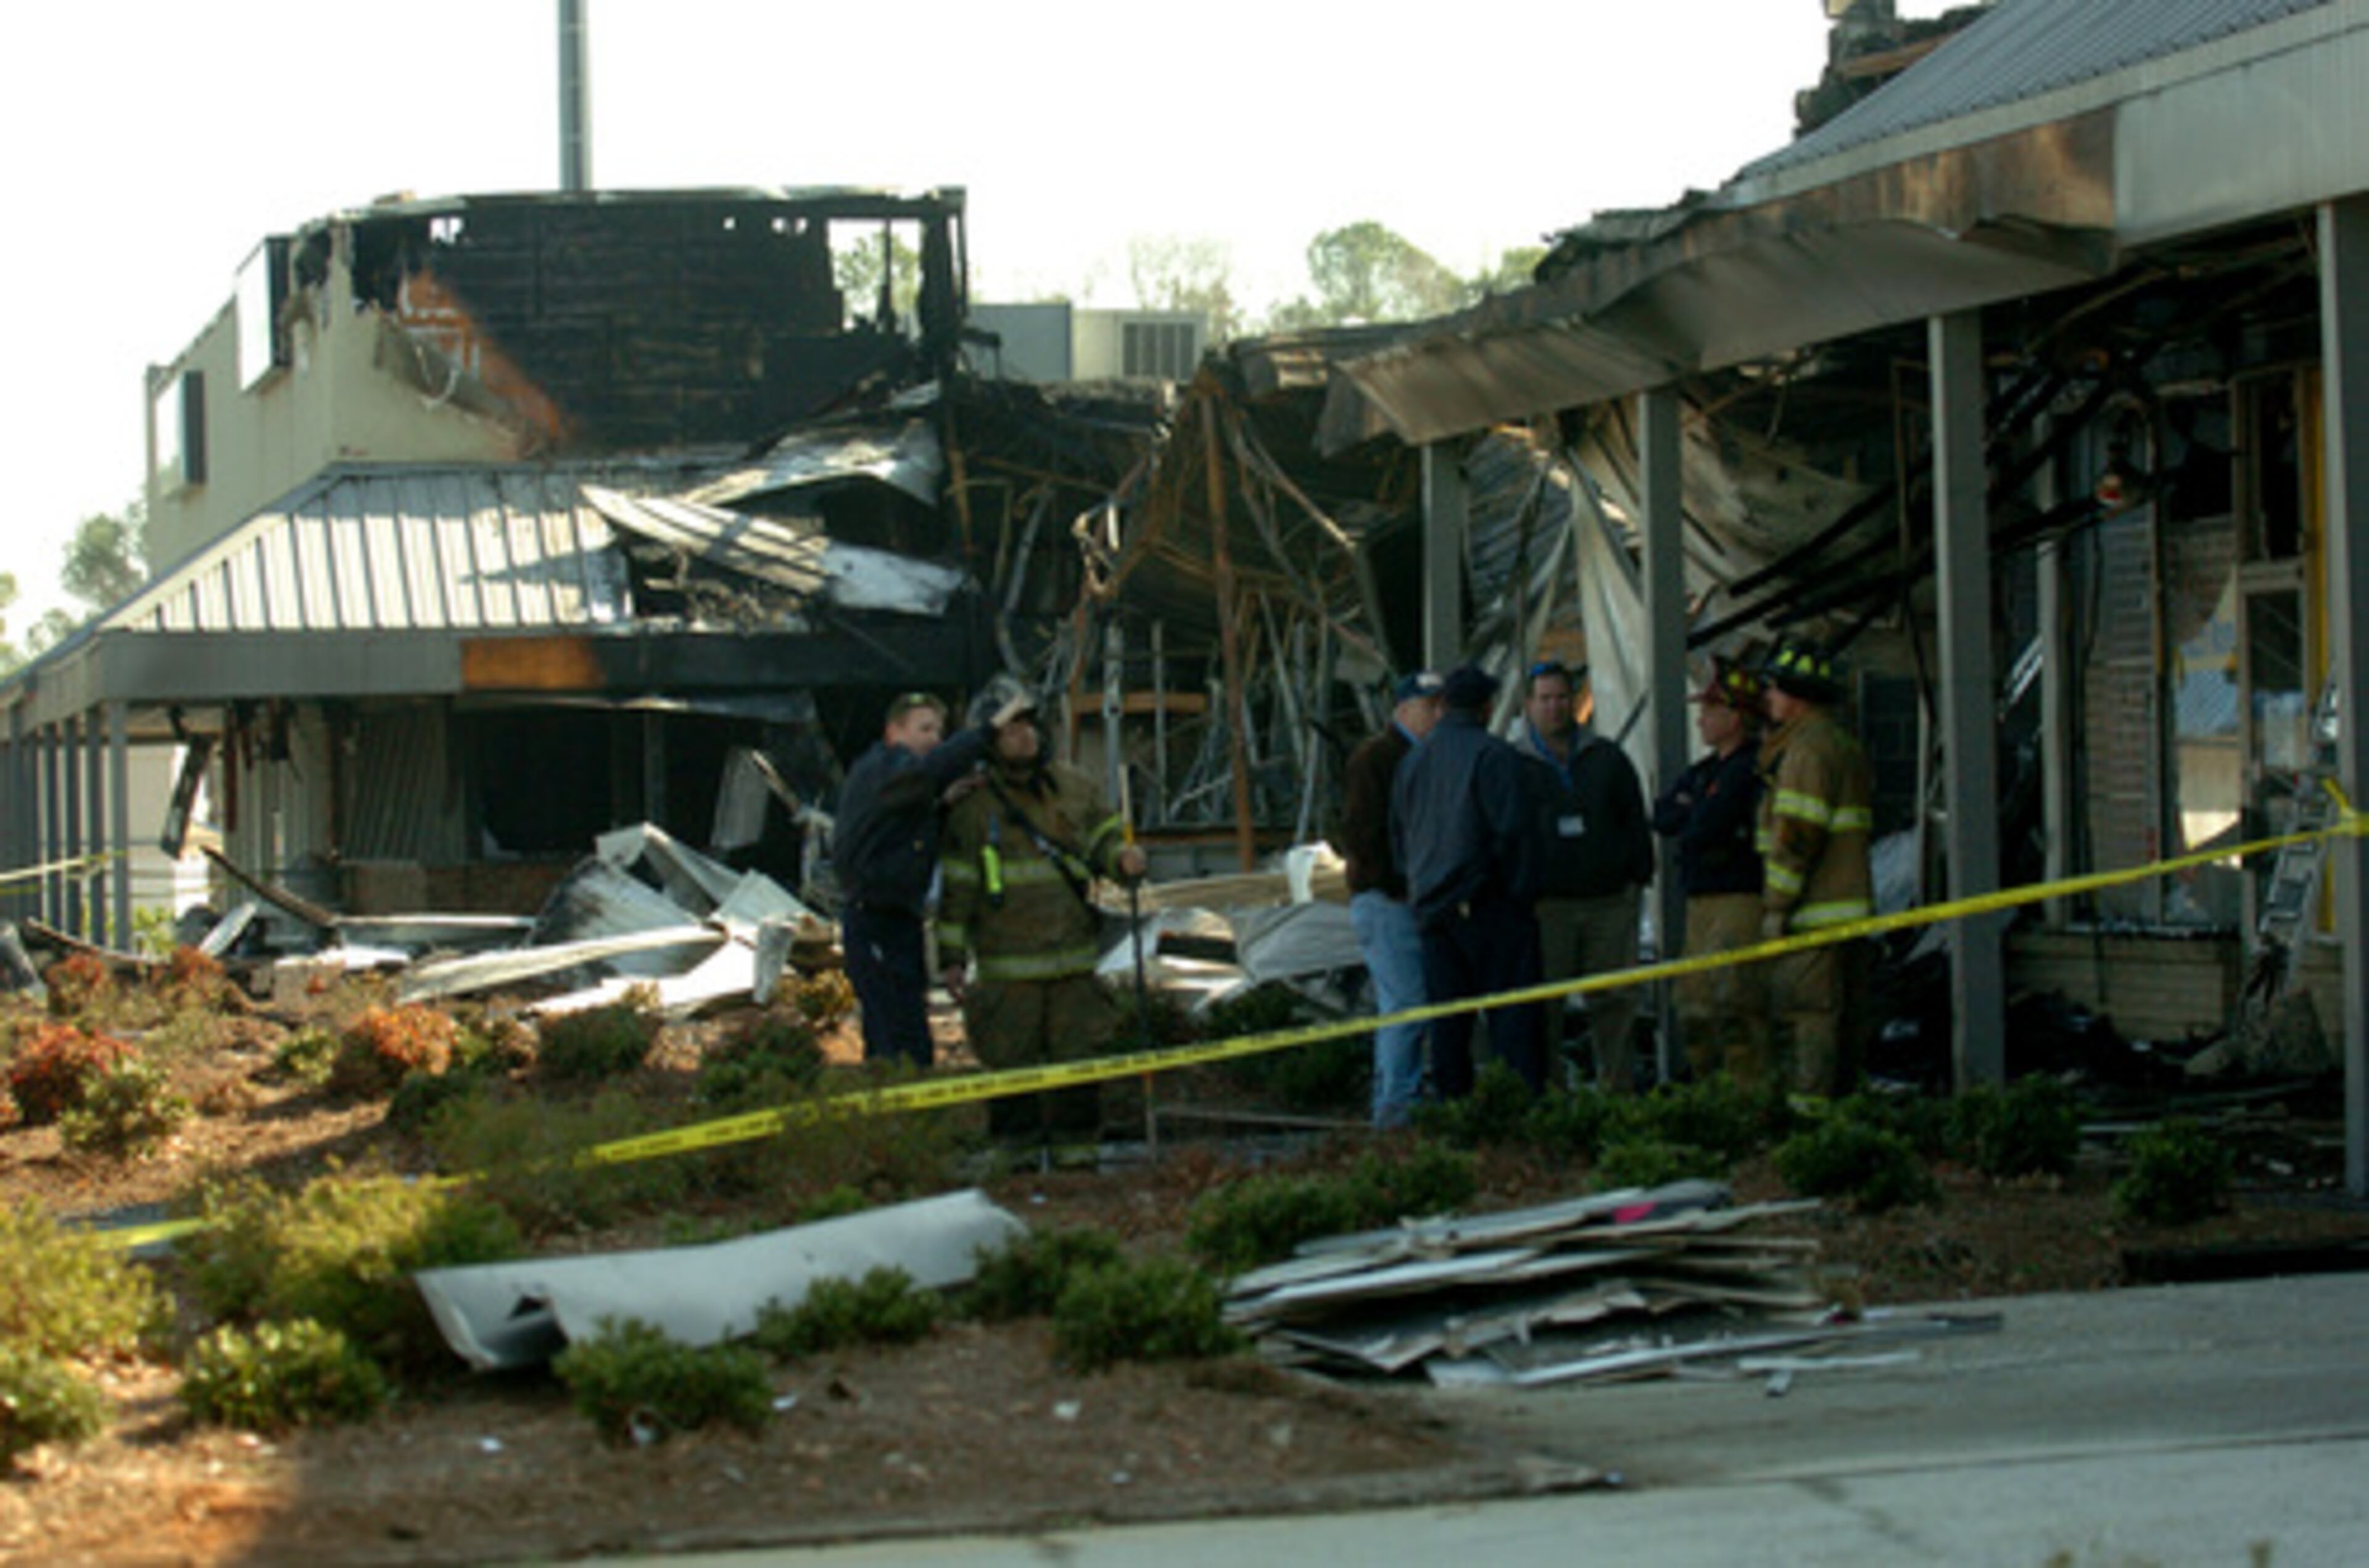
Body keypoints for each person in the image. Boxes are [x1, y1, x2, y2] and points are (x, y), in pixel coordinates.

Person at [938, 679, 1148, 1140]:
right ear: (990, 739)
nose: (1025, 735)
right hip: (1007, 973)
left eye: (1030, 724)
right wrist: (951, 960)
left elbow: (1103, 838)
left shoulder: (1073, 788)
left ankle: (1079, 1165)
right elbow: (958, 890)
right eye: (1012, 728)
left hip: (1073, 961)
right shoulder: (973, 808)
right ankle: (1017, 1169)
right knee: (1011, 1072)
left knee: (1079, 1069)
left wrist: (1124, 860)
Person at [833, 688, 1030, 1067]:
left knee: (911, 1028)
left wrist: (941, 808)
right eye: (924, 729)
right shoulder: (883, 768)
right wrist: (989, 730)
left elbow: (902, 829)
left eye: (939, 731)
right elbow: (930, 769)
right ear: (894, 732)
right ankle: (895, 1110)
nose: (934, 739)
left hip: (902, 921)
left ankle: (914, 1113)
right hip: (874, 918)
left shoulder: (910, 791)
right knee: (892, 1033)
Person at [1392, 664, 1550, 1097]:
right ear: (1488, 707)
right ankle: (1519, 1116)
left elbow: (1400, 838)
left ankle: (1454, 1115)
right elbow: (1515, 832)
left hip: (1434, 913)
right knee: (1513, 1022)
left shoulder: (1413, 762)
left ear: (1442, 706)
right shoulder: (1495, 757)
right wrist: (1521, 895)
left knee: (1449, 1026)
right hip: (1491, 905)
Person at [1512, 660, 1655, 1094]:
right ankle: (1553, 1097)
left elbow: (1634, 819)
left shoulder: (1605, 758)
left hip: (1608, 903)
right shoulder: (1515, 765)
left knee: (1615, 1004)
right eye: (1546, 699)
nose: (1555, 708)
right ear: (1529, 704)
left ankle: (1619, 1093)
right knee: (1546, 1009)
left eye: (1562, 698)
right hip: (1548, 906)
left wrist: (1636, 879)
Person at [1755, 638, 1876, 1099]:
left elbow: (1796, 837)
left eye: (1774, 689)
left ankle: (1810, 1124)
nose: (1768, 698)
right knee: (1845, 1018)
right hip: (1849, 910)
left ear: (1797, 696)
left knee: (1808, 1017)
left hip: (1815, 912)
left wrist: (1776, 906)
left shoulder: (1807, 751)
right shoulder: (1842, 744)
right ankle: (1842, 1113)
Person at [1333, 670, 1446, 1128]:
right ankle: (1396, 1105)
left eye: (1441, 706)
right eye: (1428, 707)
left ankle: (1405, 1096)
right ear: (1403, 711)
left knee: (1414, 1002)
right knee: (1405, 1002)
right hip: (1389, 901)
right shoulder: (1377, 760)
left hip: (1414, 899)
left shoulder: (1427, 759)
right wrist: (1398, 881)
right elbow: (1362, 832)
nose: (1437, 715)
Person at [1652, 658, 1772, 1088]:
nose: (1700, 719)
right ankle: (1707, 1092)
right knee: (1695, 1006)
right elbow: (1665, 815)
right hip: (1700, 901)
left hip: (1739, 898)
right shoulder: (1705, 772)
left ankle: (1748, 1097)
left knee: (1736, 1004)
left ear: (1735, 717)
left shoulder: (1751, 769)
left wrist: (1695, 811)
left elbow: (1707, 823)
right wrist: (1694, 811)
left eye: (1709, 711)